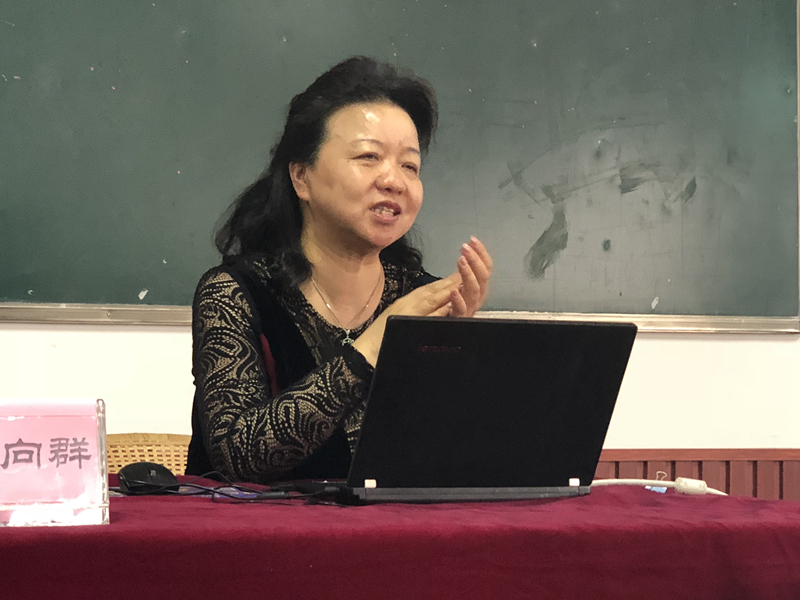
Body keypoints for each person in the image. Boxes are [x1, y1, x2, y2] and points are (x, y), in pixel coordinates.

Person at [186, 56, 492, 483]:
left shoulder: (423, 300)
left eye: (410, 165)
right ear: (301, 177)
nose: (394, 181)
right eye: (369, 157)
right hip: (253, 524)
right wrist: (374, 345)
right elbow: (239, 457)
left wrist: (453, 355)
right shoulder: (234, 293)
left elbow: (447, 464)